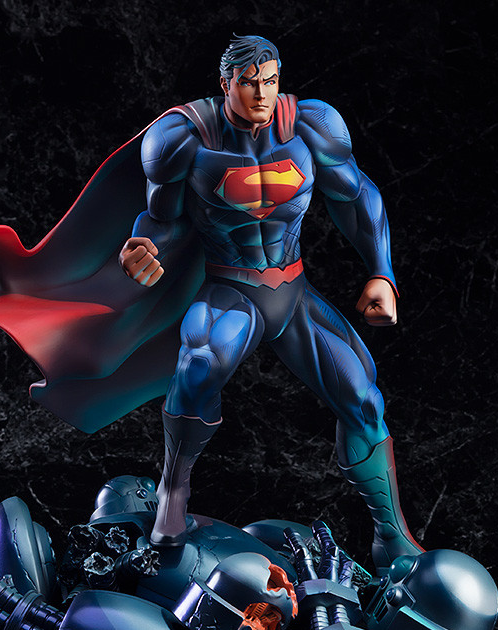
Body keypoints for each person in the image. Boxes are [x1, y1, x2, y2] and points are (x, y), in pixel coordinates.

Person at [118, 34, 423, 571]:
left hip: (293, 290)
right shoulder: (182, 138)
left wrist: (383, 272)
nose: (262, 93)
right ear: (226, 83)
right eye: (249, 82)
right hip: (231, 289)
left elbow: (356, 195)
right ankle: (173, 490)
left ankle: (391, 533)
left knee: (364, 399)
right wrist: (141, 245)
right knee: (198, 365)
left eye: (271, 80)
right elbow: (161, 218)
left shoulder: (311, 126)